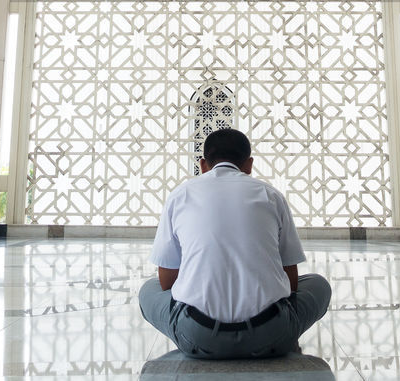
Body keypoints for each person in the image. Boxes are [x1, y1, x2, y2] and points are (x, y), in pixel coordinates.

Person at [138, 128, 332, 359]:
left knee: (148, 290)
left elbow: (166, 281)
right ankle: (279, 335)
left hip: (198, 337)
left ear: (203, 164)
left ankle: (197, 335)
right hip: (271, 335)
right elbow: (291, 282)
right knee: (318, 284)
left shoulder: (180, 195)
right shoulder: (271, 195)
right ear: (249, 164)